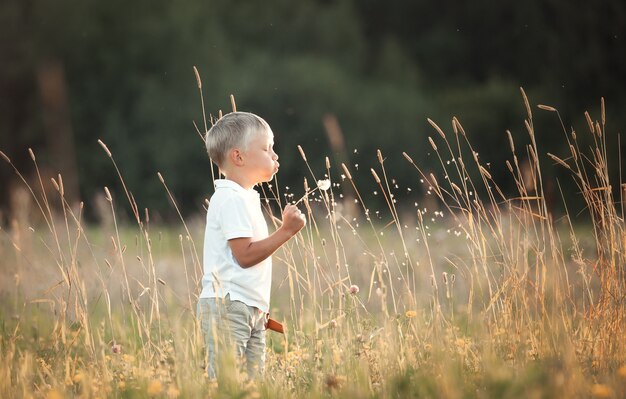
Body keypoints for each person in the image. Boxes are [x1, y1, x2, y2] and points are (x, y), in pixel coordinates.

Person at [198, 111, 306, 380]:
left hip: (250, 307)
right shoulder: (231, 199)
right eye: (267, 148)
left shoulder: (244, 198)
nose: (275, 155)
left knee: (250, 384)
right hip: (229, 305)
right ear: (239, 157)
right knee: (227, 382)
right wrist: (286, 231)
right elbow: (244, 256)